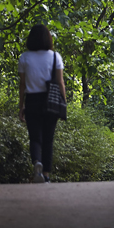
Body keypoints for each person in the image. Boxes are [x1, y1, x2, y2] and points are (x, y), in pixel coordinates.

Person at [18, 24, 66, 183]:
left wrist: (21, 106)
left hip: (32, 100)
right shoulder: (55, 57)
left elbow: (22, 85)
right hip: (51, 101)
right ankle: (46, 175)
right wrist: (63, 102)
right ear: (48, 39)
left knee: (35, 138)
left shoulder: (24, 57)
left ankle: (37, 162)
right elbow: (60, 82)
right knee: (48, 139)